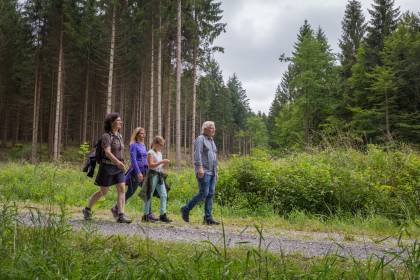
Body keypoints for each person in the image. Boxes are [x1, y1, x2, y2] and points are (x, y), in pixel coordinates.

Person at [82, 113, 131, 223]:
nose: (121, 122)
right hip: (107, 166)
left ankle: (121, 215)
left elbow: (119, 151)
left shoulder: (119, 136)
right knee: (103, 191)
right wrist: (118, 162)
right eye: (118, 120)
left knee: (122, 189)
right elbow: (107, 152)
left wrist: (122, 162)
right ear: (111, 122)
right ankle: (87, 209)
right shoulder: (106, 136)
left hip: (118, 168)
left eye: (120, 120)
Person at [110, 127, 157, 220]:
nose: (143, 135)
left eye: (144, 133)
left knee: (148, 191)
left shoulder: (143, 145)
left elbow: (144, 158)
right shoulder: (133, 145)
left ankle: (148, 214)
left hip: (145, 171)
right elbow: (134, 160)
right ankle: (116, 208)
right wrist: (138, 173)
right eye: (141, 133)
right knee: (130, 192)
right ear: (137, 135)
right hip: (136, 172)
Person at [181, 121, 219, 225]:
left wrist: (217, 171)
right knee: (204, 193)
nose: (214, 129)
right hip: (204, 171)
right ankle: (186, 208)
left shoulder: (211, 140)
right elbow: (197, 154)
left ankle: (208, 218)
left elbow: (215, 157)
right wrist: (199, 168)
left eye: (214, 127)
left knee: (210, 194)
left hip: (212, 172)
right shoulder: (200, 139)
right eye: (211, 127)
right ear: (205, 129)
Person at [141, 136, 171, 223]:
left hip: (159, 175)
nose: (161, 147)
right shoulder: (150, 152)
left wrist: (163, 167)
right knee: (148, 195)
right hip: (152, 175)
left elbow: (159, 166)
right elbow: (150, 165)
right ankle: (145, 215)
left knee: (164, 195)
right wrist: (162, 162)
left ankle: (163, 214)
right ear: (155, 143)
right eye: (160, 145)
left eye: (162, 145)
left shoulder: (159, 153)